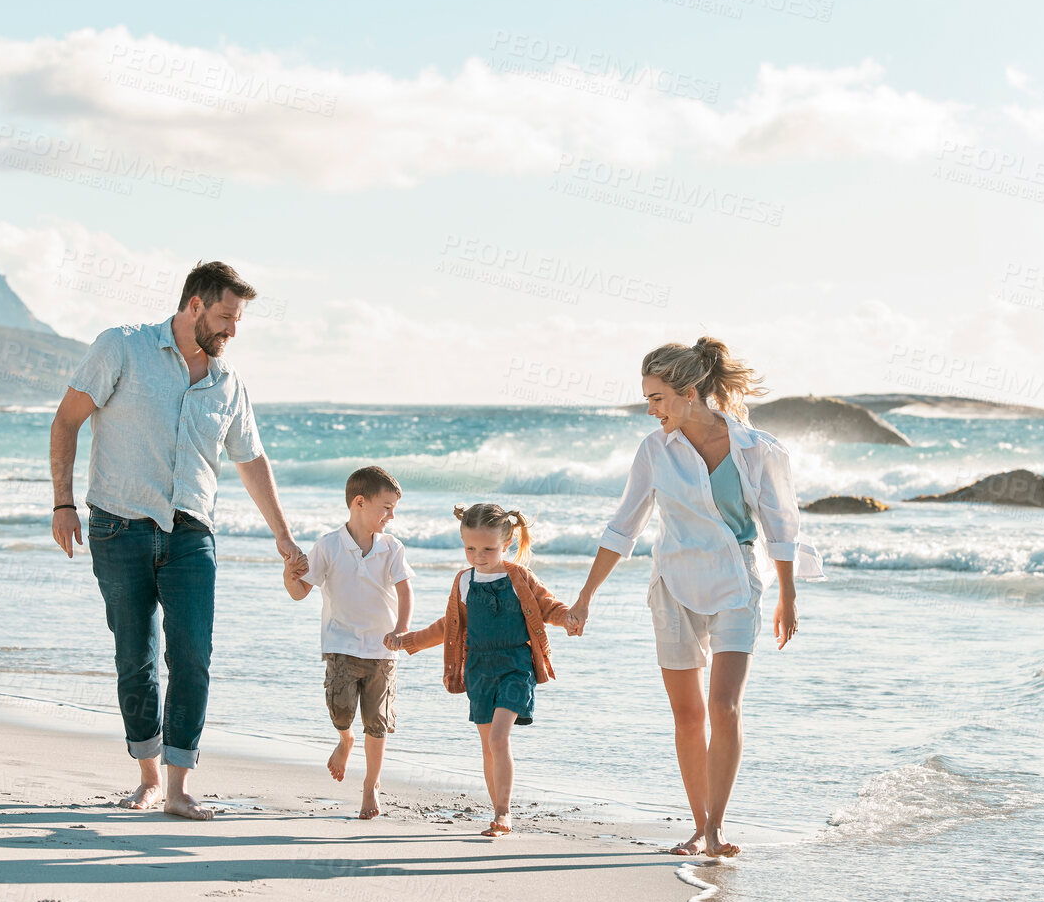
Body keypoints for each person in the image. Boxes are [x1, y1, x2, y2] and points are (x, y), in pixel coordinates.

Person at [49, 260, 305, 821]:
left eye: (237, 320)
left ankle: (178, 784)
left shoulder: (227, 381)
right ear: (194, 306)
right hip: (119, 526)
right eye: (225, 317)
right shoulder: (122, 348)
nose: (233, 330)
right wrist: (62, 503)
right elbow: (66, 420)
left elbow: (251, 460)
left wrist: (284, 538)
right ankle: (146, 775)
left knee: (193, 657)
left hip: (193, 534)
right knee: (135, 658)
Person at [566, 338, 823, 858]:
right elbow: (624, 526)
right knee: (688, 715)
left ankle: (716, 830)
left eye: (657, 398)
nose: (650, 409)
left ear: (688, 394)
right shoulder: (654, 451)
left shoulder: (758, 449)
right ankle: (697, 822)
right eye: (648, 399)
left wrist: (788, 596)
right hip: (675, 587)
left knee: (723, 706)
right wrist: (585, 596)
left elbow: (781, 526)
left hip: (736, 582)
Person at [396, 503, 572, 838]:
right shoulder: (464, 581)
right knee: (487, 746)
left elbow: (547, 606)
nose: (479, 555)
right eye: (470, 548)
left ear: (506, 544)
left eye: (488, 548)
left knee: (499, 737)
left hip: (516, 667)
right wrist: (413, 640)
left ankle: (504, 814)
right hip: (478, 670)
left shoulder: (519, 577)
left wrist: (569, 618)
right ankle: (496, 811)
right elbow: (450, 625)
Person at [282, 465, 414, 820]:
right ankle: (345, 739)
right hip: (340, 644)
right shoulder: (328, 545)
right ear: (359, 502)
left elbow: (405, 591)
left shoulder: (392, 548)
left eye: (394, 509)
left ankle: (371, 787)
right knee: (340, 709)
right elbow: (300, 591)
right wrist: (287, 576)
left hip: (383, 649)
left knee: (378, 722)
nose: (391, 515)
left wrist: (402, 630)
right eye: (386, 507)